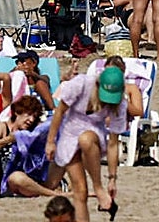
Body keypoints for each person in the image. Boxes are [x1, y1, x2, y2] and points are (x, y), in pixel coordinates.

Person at [45, 65, 126, 222]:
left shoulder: (120, 104)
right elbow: (59, 111)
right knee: (80, 191)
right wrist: (50, 142)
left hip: (94, 133)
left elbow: (113, 144)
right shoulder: (81, 84)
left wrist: (112, 178)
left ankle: (98, 186)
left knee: (85, 139)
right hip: (69, 132)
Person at [0, 95, 62, 198]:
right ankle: (53, 193)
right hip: (12, 184)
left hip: (35, 180)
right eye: (28, 115)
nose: (31, 120)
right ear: (17, 112)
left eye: (34, 116)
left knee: (63, 159)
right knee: (17, 177)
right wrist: (10, 139)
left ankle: (61, 188)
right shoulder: (3, 127)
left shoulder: (31, 132)